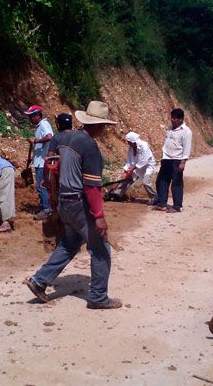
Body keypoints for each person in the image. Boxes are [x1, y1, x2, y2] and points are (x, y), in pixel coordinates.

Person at [25, 101, 122, 309]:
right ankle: (97, 297)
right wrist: (98, 215)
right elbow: (91, 187)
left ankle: (40, 280)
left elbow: (51, 170)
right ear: (98, 125)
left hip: (63, 202)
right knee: (101, 249)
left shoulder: (63, 138)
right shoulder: (89, 146)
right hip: (79, 203)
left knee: (69, 244)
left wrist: (53, 200)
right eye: (104, 126)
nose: (104, 130)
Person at [154, 108, 192, 213]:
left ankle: (177, 206)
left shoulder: (186, 132)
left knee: (177, 183)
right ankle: (162, 204)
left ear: (181, 119)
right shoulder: (170, 128)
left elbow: (187, 147)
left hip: (177, 160)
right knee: (161, 181)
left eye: (175, 118)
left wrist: (183, 162)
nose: (172, 120)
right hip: (166, 159)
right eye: (172, 117)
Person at [110, 132, 157, 204]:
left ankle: (154, 197)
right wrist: (126, 171)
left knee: (145, 182)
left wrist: (132, 169)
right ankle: (118, 194)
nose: (128, 143)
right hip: (135, 166)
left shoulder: (144, 146)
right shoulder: (131, 148)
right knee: (126, 179)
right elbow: (129, 160)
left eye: (129, 142)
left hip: (147, 166)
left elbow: (144, 160)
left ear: (133, 141)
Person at [24, 105, 53, 221]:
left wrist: (36, 141)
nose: (29, 119)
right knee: (41, 186)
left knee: (42, 186)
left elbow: (49, 137)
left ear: (37, 115)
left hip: (43, 162)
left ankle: (47, 209)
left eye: (31, 116)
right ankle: (43, 207)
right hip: (39, 160)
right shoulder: (39, 126)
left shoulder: (44, 125)